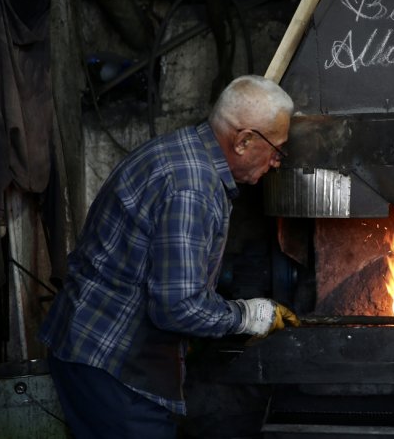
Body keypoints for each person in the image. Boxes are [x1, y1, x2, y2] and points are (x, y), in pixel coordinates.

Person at [39, 75, 300, 439]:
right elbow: (176, 307)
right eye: (277, 150)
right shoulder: (192, 188)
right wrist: (247, 316)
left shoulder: (183, 152)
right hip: (111, 361)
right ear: (243, 141)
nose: (276, 162)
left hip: (93, 345)